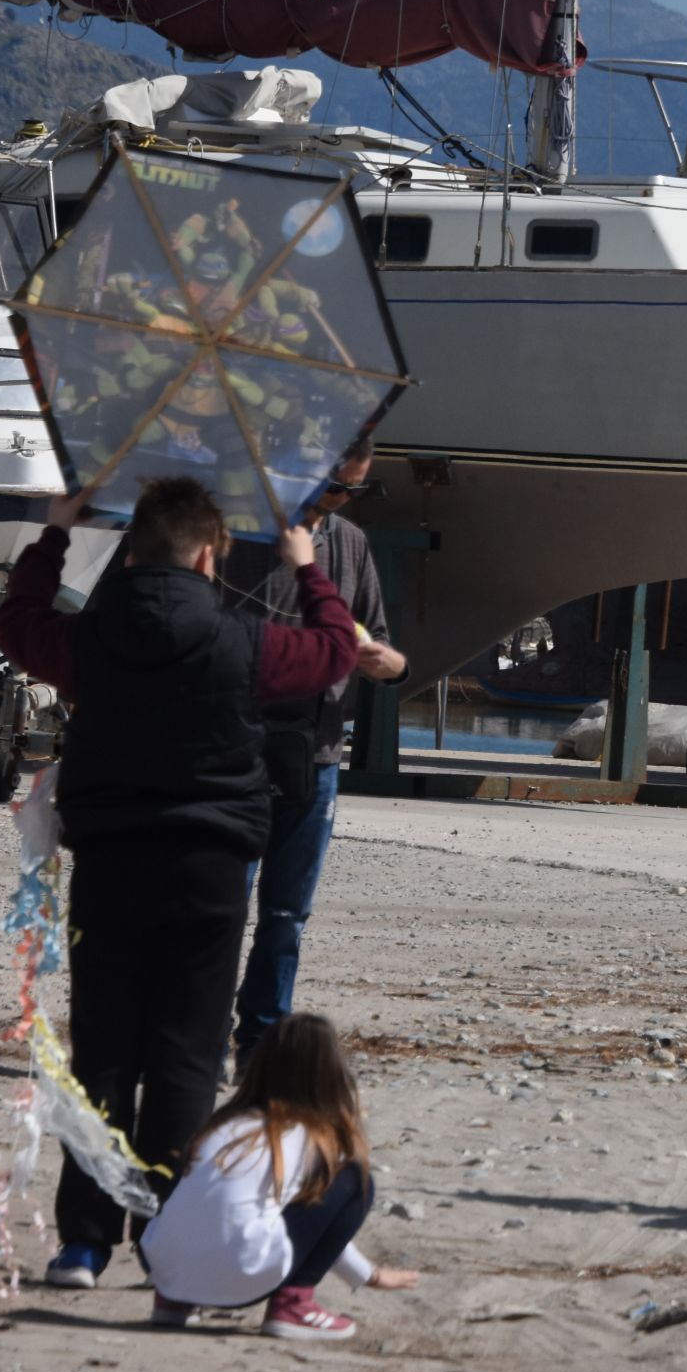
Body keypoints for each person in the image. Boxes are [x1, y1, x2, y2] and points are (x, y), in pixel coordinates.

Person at [0, 476, 360, 1290]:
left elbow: (17, 625)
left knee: (105, 1054)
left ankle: (82, 1243)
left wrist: (54, 533)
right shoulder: (245, 641)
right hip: (211, 868)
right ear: (209, 552)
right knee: (187, 1056)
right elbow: (335, 651)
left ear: (134, 548)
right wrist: (308, 566)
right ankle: (167, 1236)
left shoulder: (91, 638)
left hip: (113, 862)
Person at [226, 438, 407, 1071]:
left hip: (316, 750)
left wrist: (380, 660)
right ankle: (197, 1029)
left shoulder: (348, 543)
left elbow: (387, 651)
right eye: (334, 486)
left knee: (285, 913)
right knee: (223, 903)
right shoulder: (233, 534)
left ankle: (258, 1044)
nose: (340, 501)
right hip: (235, 746)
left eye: (356, 490)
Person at [139, 1012, 418, 1340]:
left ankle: (174, 1302)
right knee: (356, 1181)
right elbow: (318, 1226)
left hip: (165, 1270)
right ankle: (294, 1303)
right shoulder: (315, 1136)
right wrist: (369, 1275)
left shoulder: (221, 1126)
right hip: (242, 1272)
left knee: (195, 1176)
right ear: (332, 1073)